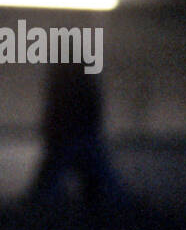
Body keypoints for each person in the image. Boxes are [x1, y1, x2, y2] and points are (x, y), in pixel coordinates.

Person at [30, 60, 121, 204]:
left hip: (70, 134)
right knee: (99, 182)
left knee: (48, 185)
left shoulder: (63, 72)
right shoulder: (78, 72)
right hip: (79, 133)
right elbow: (92, 102)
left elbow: (56, 103)